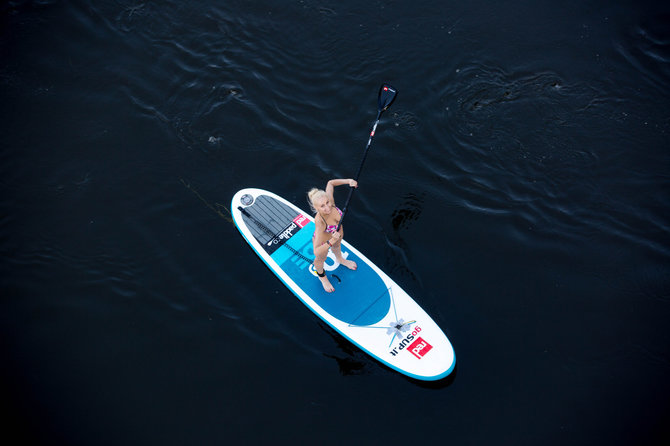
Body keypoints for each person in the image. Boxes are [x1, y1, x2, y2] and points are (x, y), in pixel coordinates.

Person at [307, 179, 358, 292]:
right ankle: (323, 278)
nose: (327, 207)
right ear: (316, 209)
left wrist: (349, 181)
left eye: (327, 203)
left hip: (337, 236)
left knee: (337, 247)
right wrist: (330, 241)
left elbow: (330, 183)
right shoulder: (320, 222)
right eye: (322, 206)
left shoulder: (330, 201)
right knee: (320, 259)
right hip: (324, 242)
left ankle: (340, 259)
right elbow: (316, 251)